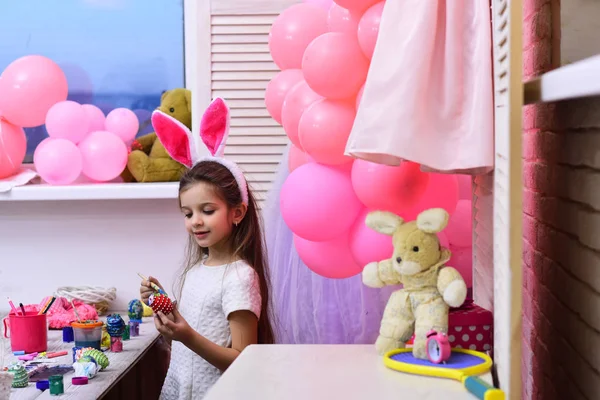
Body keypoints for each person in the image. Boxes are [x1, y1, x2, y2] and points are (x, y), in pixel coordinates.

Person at [140, 97, 275, 399]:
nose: (195, 222)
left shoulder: (240, 277)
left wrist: (185, 335)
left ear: (237, 213)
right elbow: (196, 325)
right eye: (188, 213)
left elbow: (243, 360)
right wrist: (165, 306)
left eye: (207, 211)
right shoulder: (197, 271)